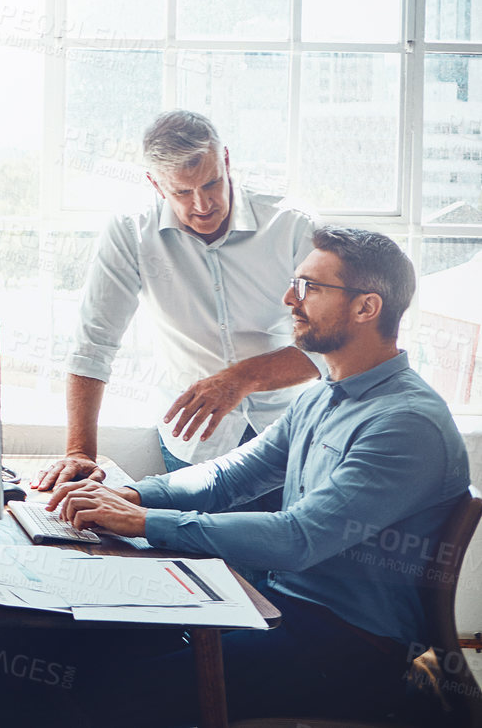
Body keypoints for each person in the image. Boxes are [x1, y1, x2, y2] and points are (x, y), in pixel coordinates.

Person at [47, 227, 470, 725]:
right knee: (88, 645)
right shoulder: (321, 394)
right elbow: (230, 476)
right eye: (297, 283)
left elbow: (297, 538)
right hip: (280, 609)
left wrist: (142, 521)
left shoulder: (406, 422)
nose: (290, 299)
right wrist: (128, 494)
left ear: (366, 308)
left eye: (311, 287)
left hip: (349, 648)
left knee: (116, 693)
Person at [35, 110, 320, 494]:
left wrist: (239, 378)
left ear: (227, 161)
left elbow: (334, 348)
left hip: (288, 436)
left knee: (278, 550)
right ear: (155, 184)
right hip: (195, 445)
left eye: (212, 183)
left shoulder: (294, 227)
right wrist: (80, 452)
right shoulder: (131, 232)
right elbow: (93, 346)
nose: (202, 205)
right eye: (183, 192)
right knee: (186, 552)